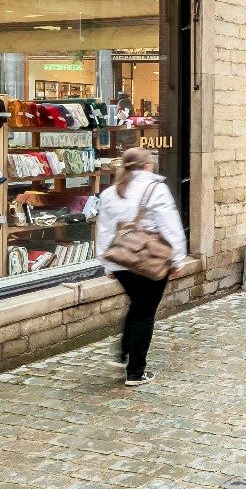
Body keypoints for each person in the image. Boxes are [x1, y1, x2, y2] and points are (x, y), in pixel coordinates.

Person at [96, 147, 186, 388]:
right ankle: (136, 372)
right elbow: (170, 225)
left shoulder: (109, 193)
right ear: (148, 166)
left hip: (121, 259)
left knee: (137, 305)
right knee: (145, 313)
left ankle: (123, 355)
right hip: (150, 258)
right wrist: (177, 258)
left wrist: (107, 262)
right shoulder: (156, 189)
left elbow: (104, 230)